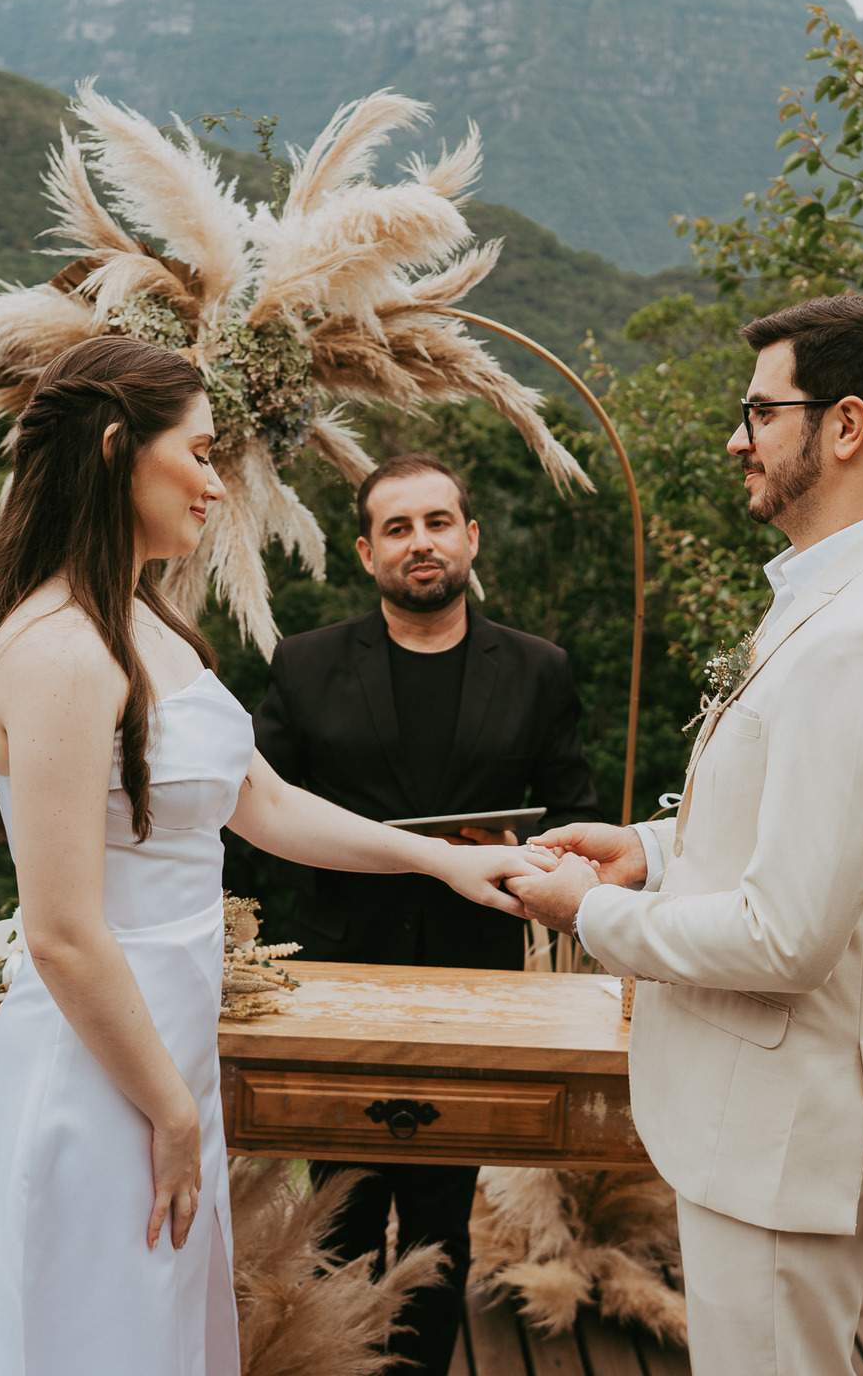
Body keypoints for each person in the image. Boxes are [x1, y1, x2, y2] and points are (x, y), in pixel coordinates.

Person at [0, 340, 547, 1376]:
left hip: (166, 1043)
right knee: (93, 1332)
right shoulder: (63, 649)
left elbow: (266, 803)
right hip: (100, 1065)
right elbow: (65, 934)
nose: (216, 482)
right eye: (200, 453)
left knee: (153, 1326)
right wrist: (167, 1110)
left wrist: (440, 864)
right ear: (119, 451)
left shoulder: (146, 622)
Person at [508, 296, 863, 1376]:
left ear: (846, 425)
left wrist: (592, 911)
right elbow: (798, 825)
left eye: (760, 411)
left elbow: (786, 939)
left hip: (785, 1134)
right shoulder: (841, 596)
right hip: (767, 1126)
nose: (736, 436)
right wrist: (651, 851)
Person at [247, 451, 601, 1376]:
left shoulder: (537, 670)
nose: (421, 543)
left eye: (438, 522)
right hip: (335, 975)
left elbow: (571, 817)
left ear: (470, 537)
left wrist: (524, 864)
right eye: (398, 528)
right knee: (339, 1208)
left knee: (443, 1216)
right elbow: (249, 819)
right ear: (367, 552)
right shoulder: (305, 663)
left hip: (472, 977)